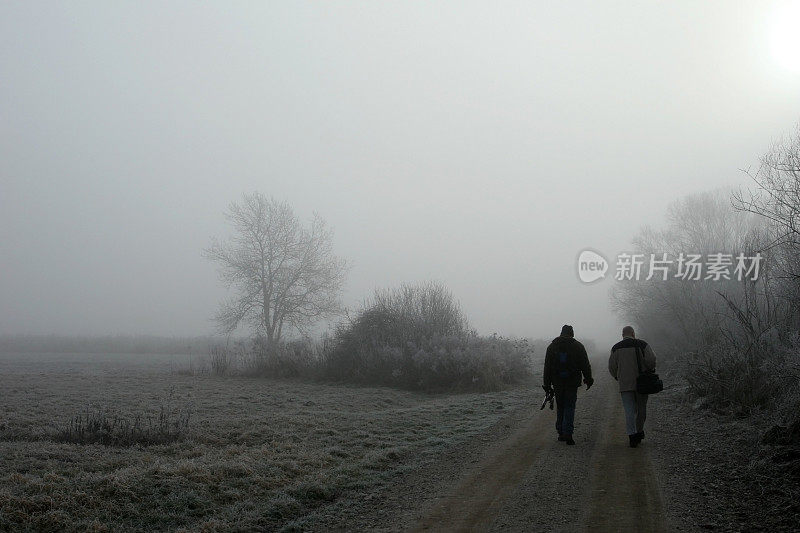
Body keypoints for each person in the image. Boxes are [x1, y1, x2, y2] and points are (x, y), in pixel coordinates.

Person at [543, 324, 594, 445]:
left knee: (560, 406)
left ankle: (560, 432)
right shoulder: (578, 346)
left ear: (561, 333)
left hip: (557, 382)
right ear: (572, 333)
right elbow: (585, 364)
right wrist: (588, 379)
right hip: (572, 381)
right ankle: (568, 434)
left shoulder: (552, 346)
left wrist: (547, 385)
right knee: (570, 406)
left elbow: (547, 367)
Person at [608, 325, 657, 448]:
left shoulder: (616, 348)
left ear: (622, 335)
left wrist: (617, 376)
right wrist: (648, 369)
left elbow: (612, 367)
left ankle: (632, 436)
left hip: (625, 384)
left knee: (629, 410)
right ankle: (639, 431)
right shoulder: (643, 345)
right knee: (641, 409)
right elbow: (651, 360)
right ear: (633, 333)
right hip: (642, 383)